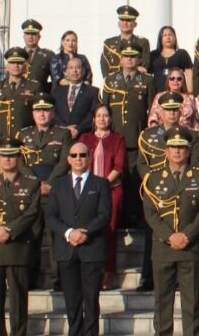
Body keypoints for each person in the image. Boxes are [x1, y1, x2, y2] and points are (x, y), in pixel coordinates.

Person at [141, 129, 199, 336]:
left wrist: (186, 236)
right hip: (163, 248)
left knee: (191, 303)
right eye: (173, 147)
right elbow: (150, 213)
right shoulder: (153, 179)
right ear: (166, 151)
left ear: (189, 151)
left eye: (182, 147)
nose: (177, 151)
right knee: (163, 303)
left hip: (191, 248)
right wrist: (170, 236)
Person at [0, 141, 42, 336]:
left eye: (12, 155)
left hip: (18, 247)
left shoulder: (31, 183)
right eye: (4, 155)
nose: (8, 159)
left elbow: (32, 212)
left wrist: (10, 230)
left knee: (18, 301)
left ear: (19, 158)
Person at [45, 142, 112, 336]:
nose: (78, 159)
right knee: (72, 300)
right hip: (66, 249)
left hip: (91, 248)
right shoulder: (58, 184)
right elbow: (51, 215)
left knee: (90, 299)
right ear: (68, 159)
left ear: (89, 158)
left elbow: (104, 215)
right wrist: (69, 233)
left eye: (82, 155)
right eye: (74, 155)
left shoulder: (100, 184)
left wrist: (85, 232)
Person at [15, 94, 71, 291]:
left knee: (55, 236)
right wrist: (35, 184)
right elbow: (19, 162)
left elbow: (65, 161)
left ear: (53, 113)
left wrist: (49, 184)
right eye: (38, 110)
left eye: (46, 110)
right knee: (31, 235)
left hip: (53, 190)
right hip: (30, 191)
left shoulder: (62, 134)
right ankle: (30, 279)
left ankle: (59, 280)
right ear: (32, 114)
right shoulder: (23, 135)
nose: (42, 114)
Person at [102, 40, 155, 231]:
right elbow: (104, 109)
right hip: (115, 138)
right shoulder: (110, 80)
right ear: (121, 59)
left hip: (136, 138)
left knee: (134, 178)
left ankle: (134, 215)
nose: (129, 59)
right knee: (116, 177)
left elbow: (152, 110)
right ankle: (118, 216)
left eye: (133, 56)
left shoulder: (147, 81)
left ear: (139, 59)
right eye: (126, 56)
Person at [78, 104, 125, 289]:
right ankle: (89, 271)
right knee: (87, 229)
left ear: (111, 119)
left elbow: (119, 166)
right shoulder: (85, 138)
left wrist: (102, 186)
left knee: (109, 231)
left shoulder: (118, 139)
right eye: (99, 115)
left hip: (111, 189)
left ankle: (107, 272)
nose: (102, 119)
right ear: (93, 119)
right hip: (87, 190)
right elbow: (79, 163)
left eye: (106, 116)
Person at [0, 47, 40, 142]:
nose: (16, 66)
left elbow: (38, 115)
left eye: (19, 63)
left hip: (25, 140)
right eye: (12, 63)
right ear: (6, 66)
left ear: (25, 66)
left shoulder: (34, 87)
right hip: (1, 139)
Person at [53, 56, 99, 140]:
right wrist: (65, 128)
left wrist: (78, 129)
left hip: (83, 136)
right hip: (61, 136)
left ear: (84, 71)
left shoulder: (93, 92)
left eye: (78, 67)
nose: (74, 71)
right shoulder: (57, 92)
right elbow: (54, 113)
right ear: (66, 72)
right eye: (71, 68)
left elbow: (93, 114)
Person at [101, 5, 152, 79]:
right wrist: (109, 82)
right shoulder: (108, 43)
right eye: (122, 20)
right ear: (118, 23)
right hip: (114, 83)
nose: (125, 23)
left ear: (135, 24)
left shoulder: (142, 42)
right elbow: (104, 66)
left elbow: (145, 65)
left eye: (128, 20)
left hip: (134, 81)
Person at [147, 65, 199, 130]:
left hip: (185, 134)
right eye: (172, 78)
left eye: (179, 79)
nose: (175, 81)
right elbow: (153, 117)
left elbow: (196, 120)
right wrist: (155, 132)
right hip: (164, 134)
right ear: (168, 81)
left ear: (183, 81)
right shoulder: (160, 96)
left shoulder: (190, 98)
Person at [149, 25, 193, 94]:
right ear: (160, 38)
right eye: (165, 35)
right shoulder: (153, 55)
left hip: (178, 93)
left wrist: (190, 92)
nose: (168, 37)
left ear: (175, 38)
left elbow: (189, 72)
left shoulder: (182, 53)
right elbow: (146, 73)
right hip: (157, 93)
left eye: (170, 35)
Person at [20, 19, 55, 89]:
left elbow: (55, 80)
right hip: (19, 96)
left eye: (33, 34)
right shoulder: (18, 55)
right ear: (23, 36)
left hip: (39, 96)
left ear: (39, 36)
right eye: (27, 34)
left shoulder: (48, 55)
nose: (30, 37)